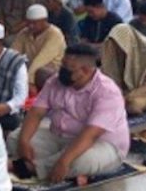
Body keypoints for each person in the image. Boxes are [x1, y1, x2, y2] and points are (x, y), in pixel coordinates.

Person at [10, 44, 129, 181]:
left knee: (80, 161)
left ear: (85, 71)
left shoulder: (107, 92)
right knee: (15, 139)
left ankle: (28, 168)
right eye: (63, 65)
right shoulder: (55, 81)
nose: (62, 71)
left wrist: (64, 161)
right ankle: (57, 168)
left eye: (68, 68)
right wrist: (24, 141)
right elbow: (36, 113)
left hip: (101, 144)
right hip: (60, 136)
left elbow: (90, 135)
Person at [100, 24, 146, 115]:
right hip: (123, 93)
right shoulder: (115, 52)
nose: (116, 48)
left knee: (133, 106)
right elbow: (109, 76)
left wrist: (126, 97)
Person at [11, 5, 65, 90]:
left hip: (49, 74)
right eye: (28, 23)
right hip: (30, 71)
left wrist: (29, 81)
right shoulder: (24, 33)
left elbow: (41, 60)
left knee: (42, 72)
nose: (31, 26)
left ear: (45, 21)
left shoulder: (55, 34)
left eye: (34, 23)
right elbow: (13, 53)